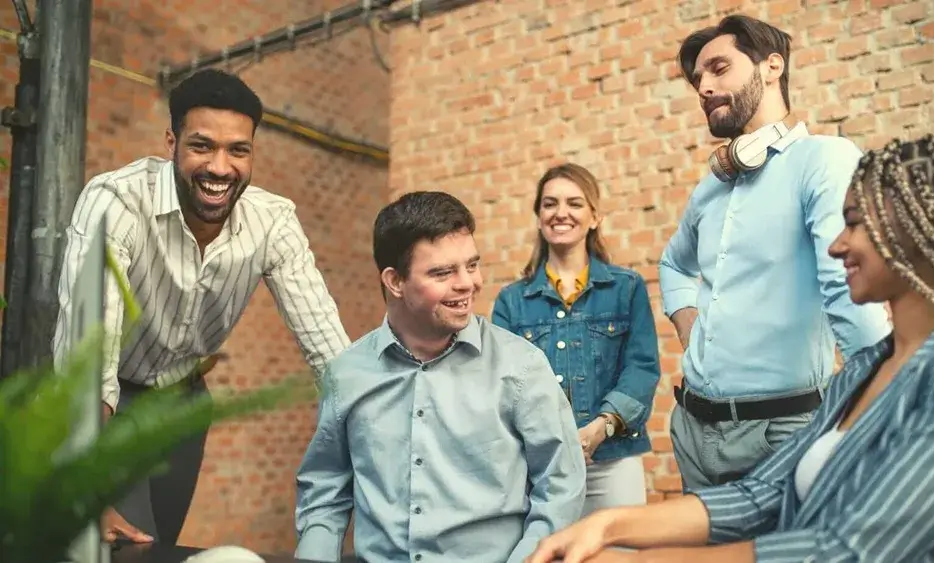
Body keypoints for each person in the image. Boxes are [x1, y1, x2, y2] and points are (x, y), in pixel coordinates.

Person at [526, 134, 934, 563]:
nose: (836, 246)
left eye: (852, 223)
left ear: (914, 228)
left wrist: (634, 561)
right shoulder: (867, 368)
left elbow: (849, 550)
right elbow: (762, 493)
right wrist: (609, 526)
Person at [52, 69, 353, 546]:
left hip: (186, 401)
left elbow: (330, 354)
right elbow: (89, 353)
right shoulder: (116, 202)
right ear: (171, 142)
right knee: (126, 544)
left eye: (238, 150)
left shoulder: (273, 222)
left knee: (163, 545)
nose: (220, 167)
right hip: (114, 401)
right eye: (201, 146)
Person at [658, 14, 892, 490]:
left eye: (718, 68)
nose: (703, 86)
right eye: (697, 79)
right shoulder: (708, 189)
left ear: (772, 66)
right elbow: (673, 265)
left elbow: (846, 288)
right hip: (692, 430)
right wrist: (692, 332)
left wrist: (885, 407)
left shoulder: (824, 159)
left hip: (782, 433)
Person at [294, 191, 587, 563]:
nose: (467, 283)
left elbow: (561, 486)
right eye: (443, 272)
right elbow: (324, 490)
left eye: (472, 265)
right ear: (395, 281)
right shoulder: (347, 374)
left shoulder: (521, 367)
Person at [491, 163, 661, 516]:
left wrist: (602, 426)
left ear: (595, 216)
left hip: (613, 461)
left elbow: (642, 367)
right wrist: (553, 440)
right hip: (541, 468)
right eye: (550, 204)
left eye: (574, 203)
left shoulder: (626, 288)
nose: (561, 213)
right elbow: (503, 386)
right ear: (539, 217)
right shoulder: (512, 301)